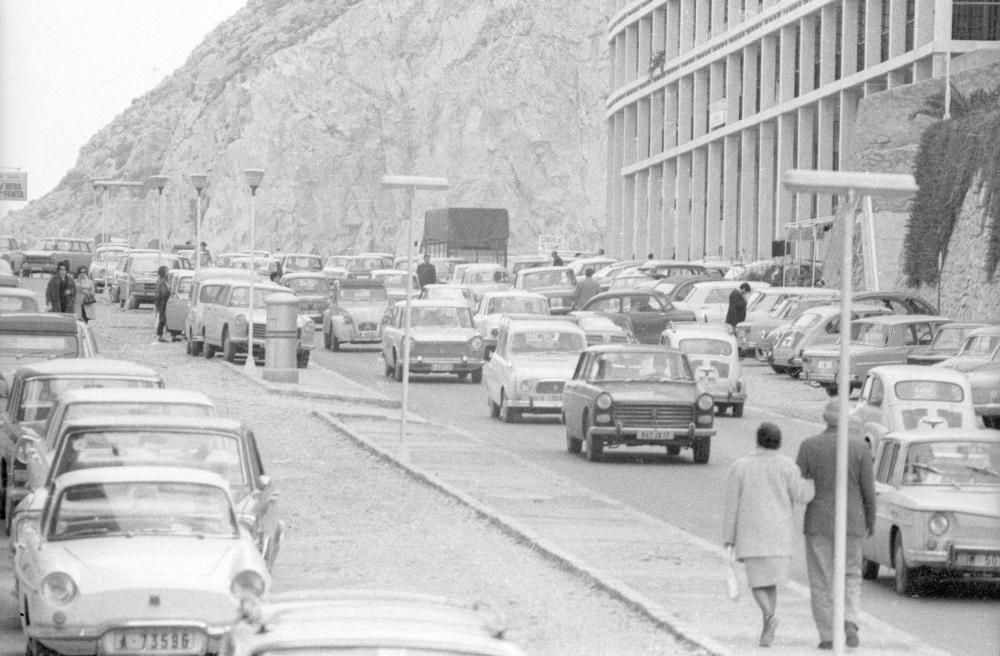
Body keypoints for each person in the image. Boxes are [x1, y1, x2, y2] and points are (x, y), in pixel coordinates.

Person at [723, 422, 814, 648]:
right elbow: (802, 495)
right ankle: (767, 628)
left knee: (756, 583)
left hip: (751, 532)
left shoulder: (740, 467)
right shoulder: (788, 467)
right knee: (770, 583)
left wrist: (728, 538)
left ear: (758, 439)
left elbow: (731, 504)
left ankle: (770, 618)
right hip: (779, 534)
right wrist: (813, 481)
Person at [795, 400, 876, 650]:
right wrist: (870, 520)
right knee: (851, 573)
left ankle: (828, 635)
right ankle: (850, 620)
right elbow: (868, 491)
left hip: (818, 520)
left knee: (821, 578)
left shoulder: (808, 446)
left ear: (824, 418)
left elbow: (800, 484)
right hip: (853, 520)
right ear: (847, 420)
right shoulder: (860, 447)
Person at [154, 265, 171, 342]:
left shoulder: (165, 281)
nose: (168, 273)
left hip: (165, 302)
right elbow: (158, 293)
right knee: (162, 319)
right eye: (166, 271)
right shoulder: (160, 281)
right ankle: (160, 336)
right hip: (162, 302)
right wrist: (159, 303)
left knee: (164, 319)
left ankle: (162, 335)